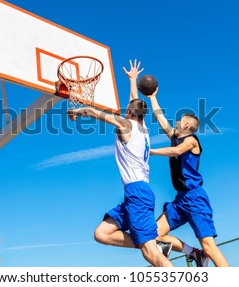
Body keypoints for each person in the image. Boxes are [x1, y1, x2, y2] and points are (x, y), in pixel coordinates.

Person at [67, 60, 172, 267]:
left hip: (137, 192)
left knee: (151, 255)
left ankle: (153, 247)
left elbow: (98, 114)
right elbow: (135, 100)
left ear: (130, 114)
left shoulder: (126, 124)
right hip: (135, 193)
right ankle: (151, 243)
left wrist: (78, 111)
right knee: (102, 233)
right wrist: (133, 80)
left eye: (127, 110)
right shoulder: (143, 129)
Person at [147, 87, 229, 267]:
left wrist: (149, 151)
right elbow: (161, 119)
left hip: (195, 198)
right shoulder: (176, 137)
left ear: (185, 125)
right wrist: (152, 97)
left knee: (209, 247)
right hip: (180, 199)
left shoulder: (192, 141)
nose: (176, 121)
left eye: (179, 120)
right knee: (153, 235)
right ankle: (194, 254)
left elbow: (176, 151)